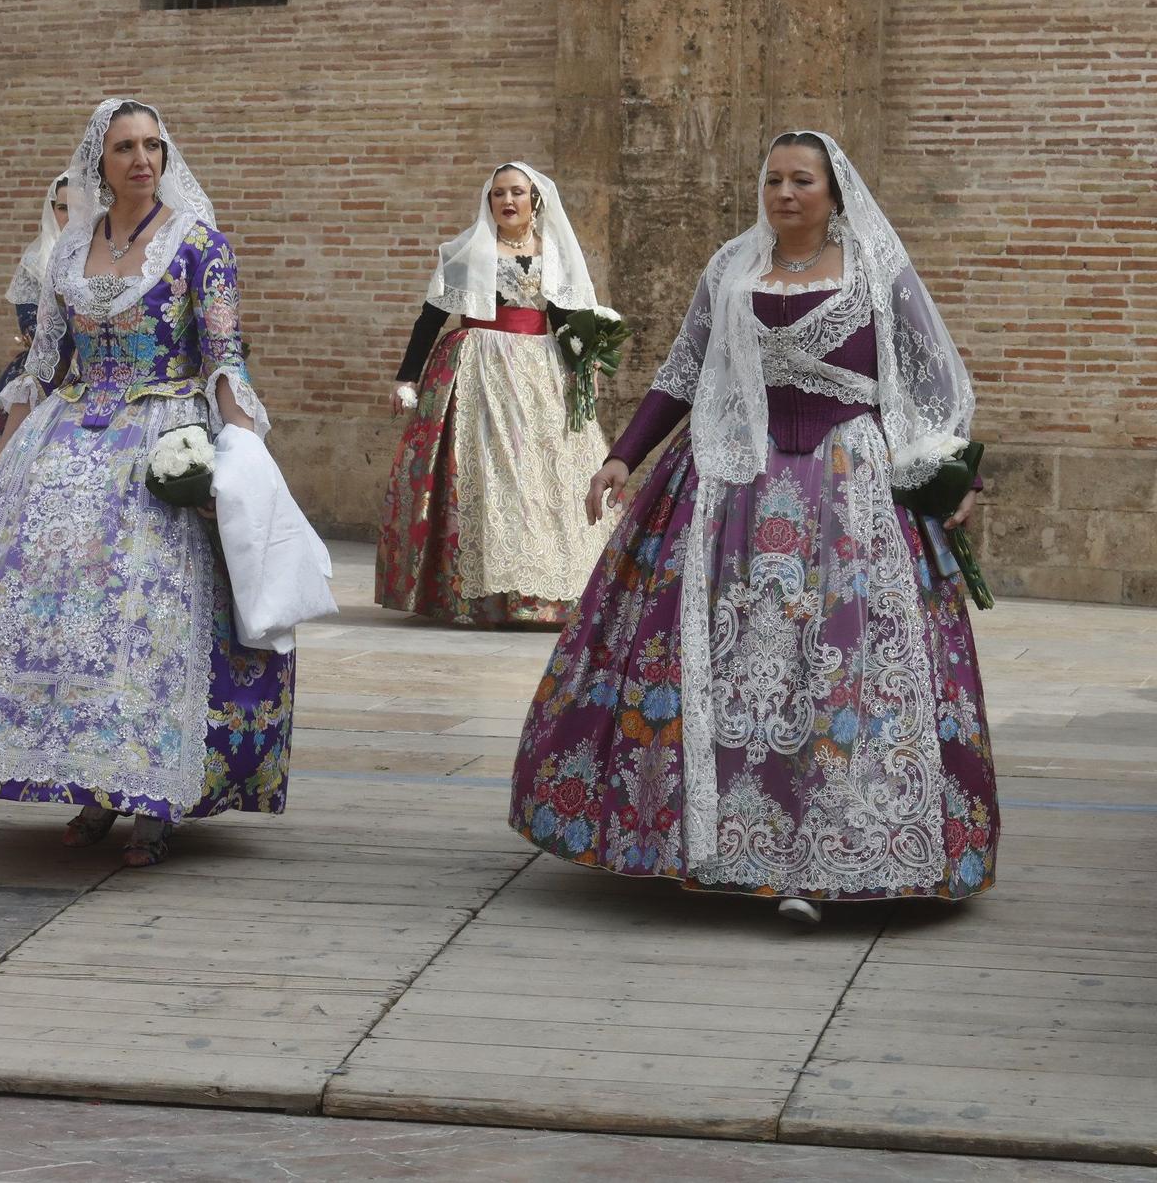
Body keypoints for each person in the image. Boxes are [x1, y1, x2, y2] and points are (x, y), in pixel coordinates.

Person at [508, 131, 996, 923]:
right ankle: (716, 841)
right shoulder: (731, 267)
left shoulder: (877, 268)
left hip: (852, 488)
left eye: (802, 180)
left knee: (840, 664)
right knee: (729, 664)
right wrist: (624, 457)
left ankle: (836, 850)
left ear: (835, 192)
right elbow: (683, 370)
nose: (785, 193)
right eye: (773, 179)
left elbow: (936, 377)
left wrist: (961, 473)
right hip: (732, 480)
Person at [0, 98, 293, 868]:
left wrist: (241, 451)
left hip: (164, 443)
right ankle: (92, 782)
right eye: (125, 147)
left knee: (151, 621)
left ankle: (154, 796)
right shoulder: (66, 252)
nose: (142, 159)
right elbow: (42, 366)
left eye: (153, 145)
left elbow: (223, 355)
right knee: (73, 621)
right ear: (100, 162)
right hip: (70, 444)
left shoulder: (199, 247)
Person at [376, 164, 613, 627]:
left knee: (539, 471)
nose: (509, 201)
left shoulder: (553, 255)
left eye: (518, 193)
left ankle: (547, 589)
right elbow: (430, 320)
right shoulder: (465, 254)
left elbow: (564, 320)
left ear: (535, 201)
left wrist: (585, 365)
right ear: (489, 203)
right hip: (475, 367)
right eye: (499, 194)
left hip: (537, 372)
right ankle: (479, 594)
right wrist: (407, 378)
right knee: (485, 470)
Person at [0, 175, 70, 509]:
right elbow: (31, 325)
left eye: (78, 207)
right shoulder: (36, 260)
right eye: (62, 207)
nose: (69, 216)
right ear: (51, 209)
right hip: (43, 371)